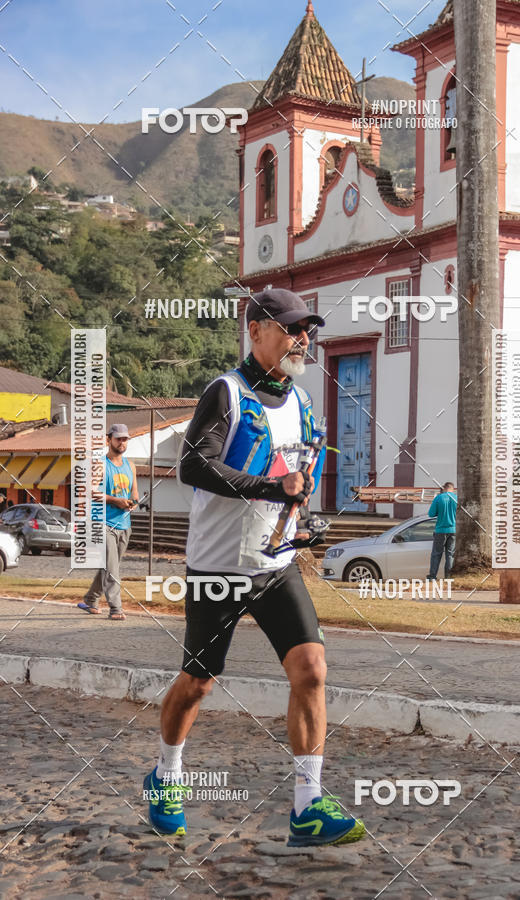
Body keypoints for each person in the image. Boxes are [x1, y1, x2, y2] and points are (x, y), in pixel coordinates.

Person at [143, 288, 365, 848]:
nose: (302, 339)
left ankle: (307, 806)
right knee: (198, 682)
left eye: (307, 329)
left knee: (312, 669)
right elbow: (194, 466)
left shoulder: (303, 403)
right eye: (291, 328)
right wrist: (271, 486)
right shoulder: (227, 392)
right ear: (256, 330)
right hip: (218, 568)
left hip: (276, 564)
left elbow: (296, 473)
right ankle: (166, 775)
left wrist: (303, 516)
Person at [77, 423, 138, 620]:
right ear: (108, 439)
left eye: (125, 439)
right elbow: (91, 492)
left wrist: (133, 503)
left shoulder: (131, 466)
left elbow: (134, 492)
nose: (122, 442)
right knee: (112, 567)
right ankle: (116, 608)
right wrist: (115, 501)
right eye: (118, 438)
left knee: (109, 565)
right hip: (103, 524)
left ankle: (90, 599)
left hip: (124, 524)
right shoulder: (100, 465)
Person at [427, 482, 457, 579]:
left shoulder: (439, 498)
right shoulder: (456, 499)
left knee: (436, 554)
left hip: (440, 530)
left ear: (444, 488)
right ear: (453, 489)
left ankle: (432, 576)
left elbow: (431, 514)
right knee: (450, 555)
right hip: (453, 530)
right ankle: (448, 577)